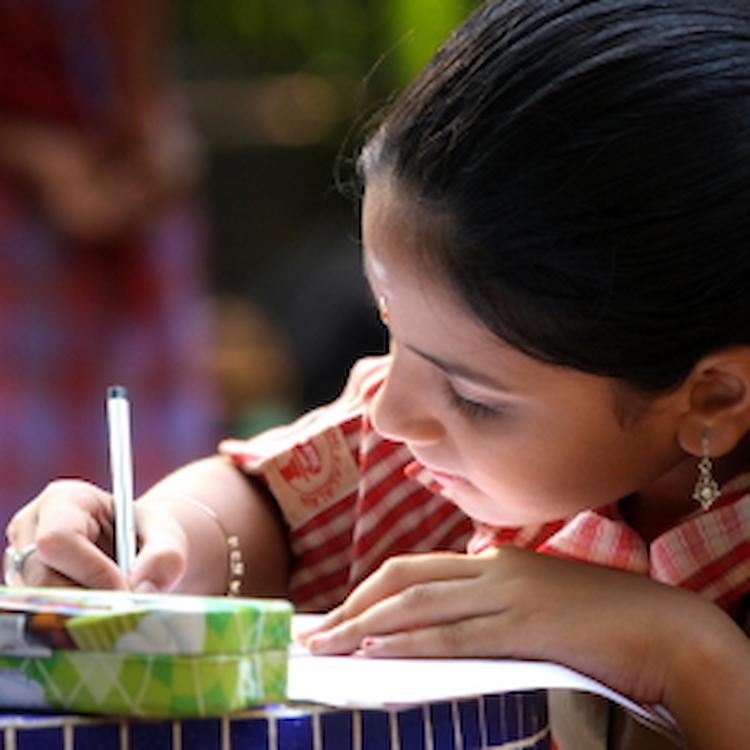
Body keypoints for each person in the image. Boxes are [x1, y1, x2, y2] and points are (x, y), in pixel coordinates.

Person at [4, 1, 750, 747]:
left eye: (471, 395)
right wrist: (155, 541)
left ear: (714, 399)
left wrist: (680, 650)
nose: (392, 412)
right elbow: (271, 505)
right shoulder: (454, 444)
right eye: (392, 330)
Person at [0, 0, 219, 531]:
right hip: (22, 240)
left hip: (124, 218)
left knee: (160, 491)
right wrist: (38, 156)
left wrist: (146, 123)